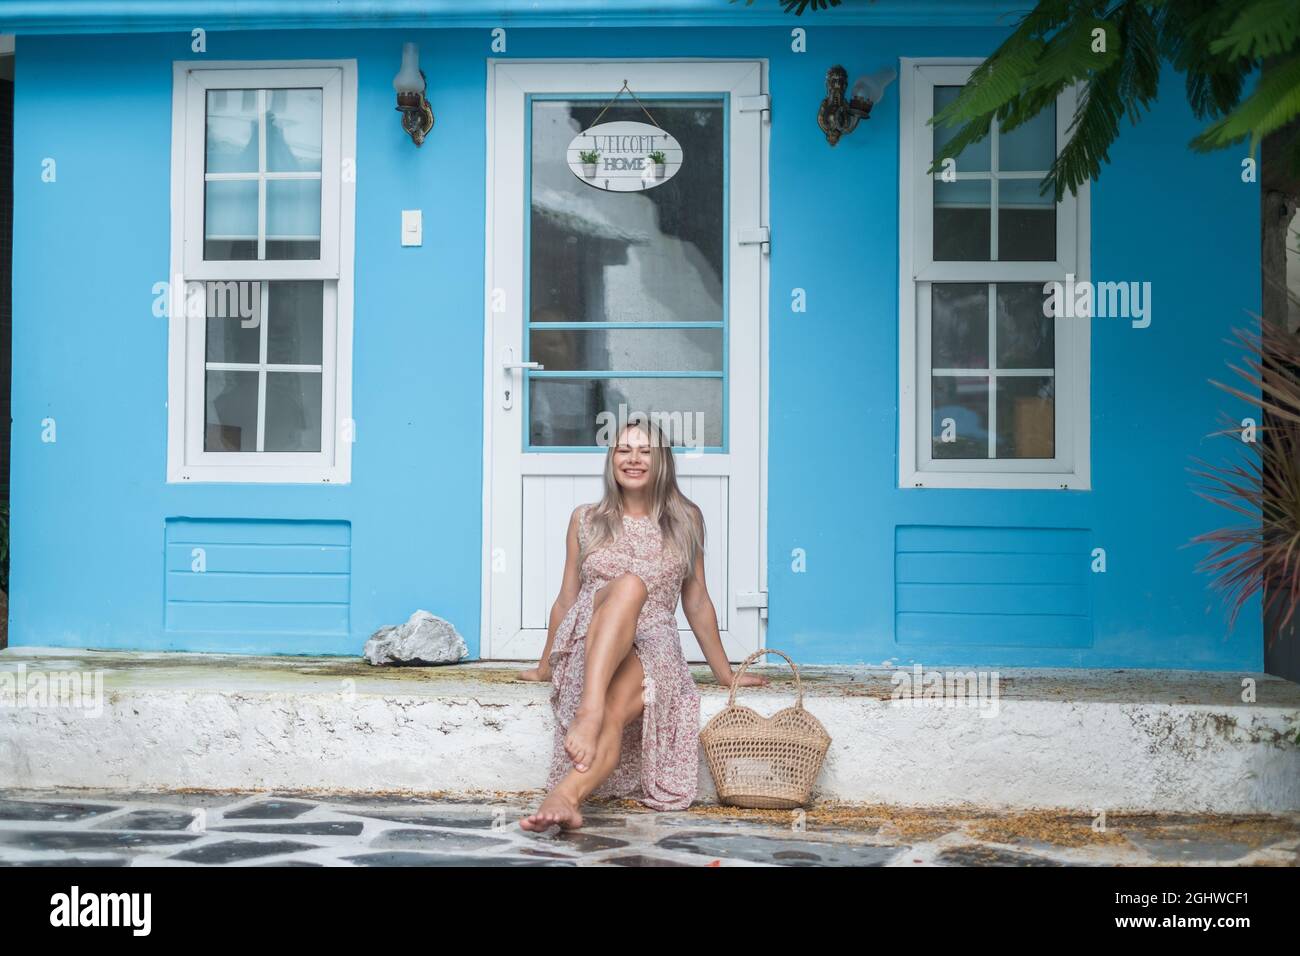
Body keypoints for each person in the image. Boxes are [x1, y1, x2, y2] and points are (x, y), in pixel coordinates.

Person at [517, 418, 768, 830]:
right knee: (630, 586)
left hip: (654, 643)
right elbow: (566, 598)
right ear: (611, 459)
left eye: (645, 451)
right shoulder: (586, 519)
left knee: (614, 714)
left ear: (662, 461)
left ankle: (565, 795)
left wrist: (725, 673)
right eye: (623, 449)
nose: (633, 458)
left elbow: (697, 600)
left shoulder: (686, 519)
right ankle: (590, 706)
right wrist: (546, 665)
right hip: (594, 637)